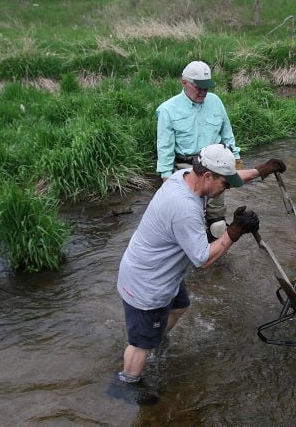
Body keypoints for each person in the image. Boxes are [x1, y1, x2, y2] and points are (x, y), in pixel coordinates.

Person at [110, 144, 277, 404]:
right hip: (148, 284)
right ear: (208, 176)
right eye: (225, 183)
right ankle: (125, 383)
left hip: (160, 273)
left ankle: (157, 339)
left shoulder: (186, 176)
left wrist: (261, 170)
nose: (228, 188)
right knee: (140, 344)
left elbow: (231, 179)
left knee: (180, 306)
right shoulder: (185, 208)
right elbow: (203, 260)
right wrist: (234, 231)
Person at [156, 60, 246, 239]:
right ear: (184, 83)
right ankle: (190, 255)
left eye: (207, 88)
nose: (204, 92)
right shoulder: (167, 110)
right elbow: (164, 147)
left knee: (218, 225)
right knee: (188, 220)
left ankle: (215, 259)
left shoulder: (216, 102)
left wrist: (236, 158)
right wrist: (166, 176)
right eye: (199, 87)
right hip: (185, 169)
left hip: (215, 168)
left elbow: (227, 132)